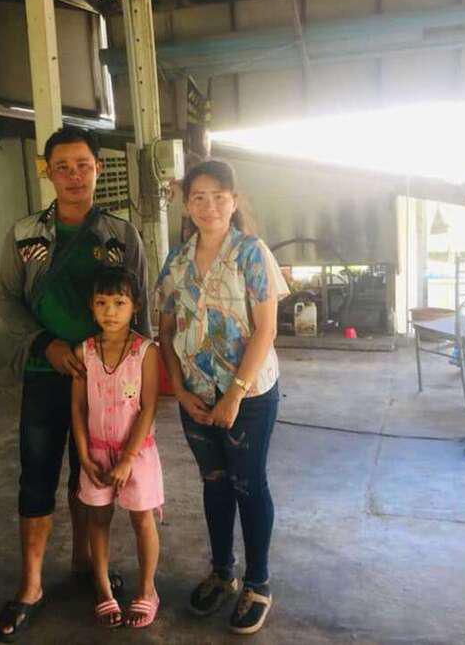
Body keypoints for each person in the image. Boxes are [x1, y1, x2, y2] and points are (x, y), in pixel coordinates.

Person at [0, 127, 150, 641]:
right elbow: (6, 301)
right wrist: (46, 344)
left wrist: (139, 375)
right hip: (46, 373)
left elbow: (142, 308)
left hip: (106, 383)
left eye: (83, 165)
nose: (73, 175)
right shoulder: (24, 235)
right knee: (37, 474)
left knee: (93, 473)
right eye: (62, 166)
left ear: (98, 169)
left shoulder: (121, 236)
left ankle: (86, 564)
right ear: (47, 172)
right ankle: (30, 587)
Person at [156, 160, 289, 635]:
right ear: (186, 206)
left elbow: (266, 330)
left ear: (234, 201)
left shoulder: (251, 253)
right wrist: (178, 389)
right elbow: (165, 330)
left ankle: (257, 582)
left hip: (249, 394)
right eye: (198, 197)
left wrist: (234, 394)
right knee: (214, 482)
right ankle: (221, 572)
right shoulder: (176, 261)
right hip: (195, 393)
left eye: (218, 196)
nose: (208, 206)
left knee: (248, 483)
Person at [71, 267, 164, 629]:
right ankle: (103, 589)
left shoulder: (146, 352)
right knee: (97, 518)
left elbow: (149, 406)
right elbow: (78, 408)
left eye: (119, 303)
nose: (110, 311)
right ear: (91, 307)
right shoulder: (85, 351)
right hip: (95, 451)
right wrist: (83, 455)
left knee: (142, 518)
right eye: (101, 303)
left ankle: (147, 589)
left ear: (135, 306)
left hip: (137, 454)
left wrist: (127, 459)